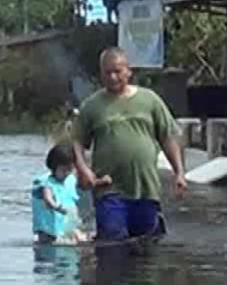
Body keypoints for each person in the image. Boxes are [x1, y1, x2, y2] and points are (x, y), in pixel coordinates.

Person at [71, 48, 186, 242]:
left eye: (117, 71)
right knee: (113, 245)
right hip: (109, 189)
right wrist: (83, 169)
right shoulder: (92, 106)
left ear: (128, 71)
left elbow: (167, 137)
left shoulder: (150, 100)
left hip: (146, 189)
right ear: (101, 74)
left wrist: (179, 172)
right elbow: (77, 141)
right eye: (107, 72)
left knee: (146, 245)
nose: (113, 77)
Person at [32, 143, 88, 246]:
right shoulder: (46, 183)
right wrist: (58, 208)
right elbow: (48, 200)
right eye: (63, 170)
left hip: (66, 229)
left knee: (79, 239)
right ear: (53, 167)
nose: (67, 173)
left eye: (70, 169)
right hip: (48, 232)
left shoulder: (70, 180)